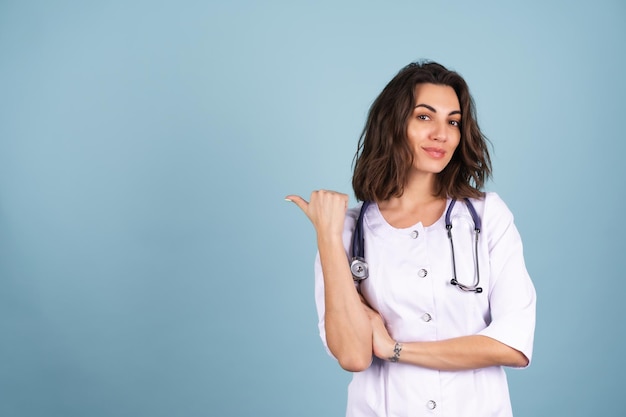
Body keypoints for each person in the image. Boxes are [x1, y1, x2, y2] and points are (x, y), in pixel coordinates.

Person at [285, 61, 536, 417]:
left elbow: (512, 344)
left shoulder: (488, 216)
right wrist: (327, 235)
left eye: (453, 121)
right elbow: (354, 355)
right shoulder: (349, 231)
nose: (442, 134)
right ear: (393, 125)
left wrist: (394, 349)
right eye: (424, 117)